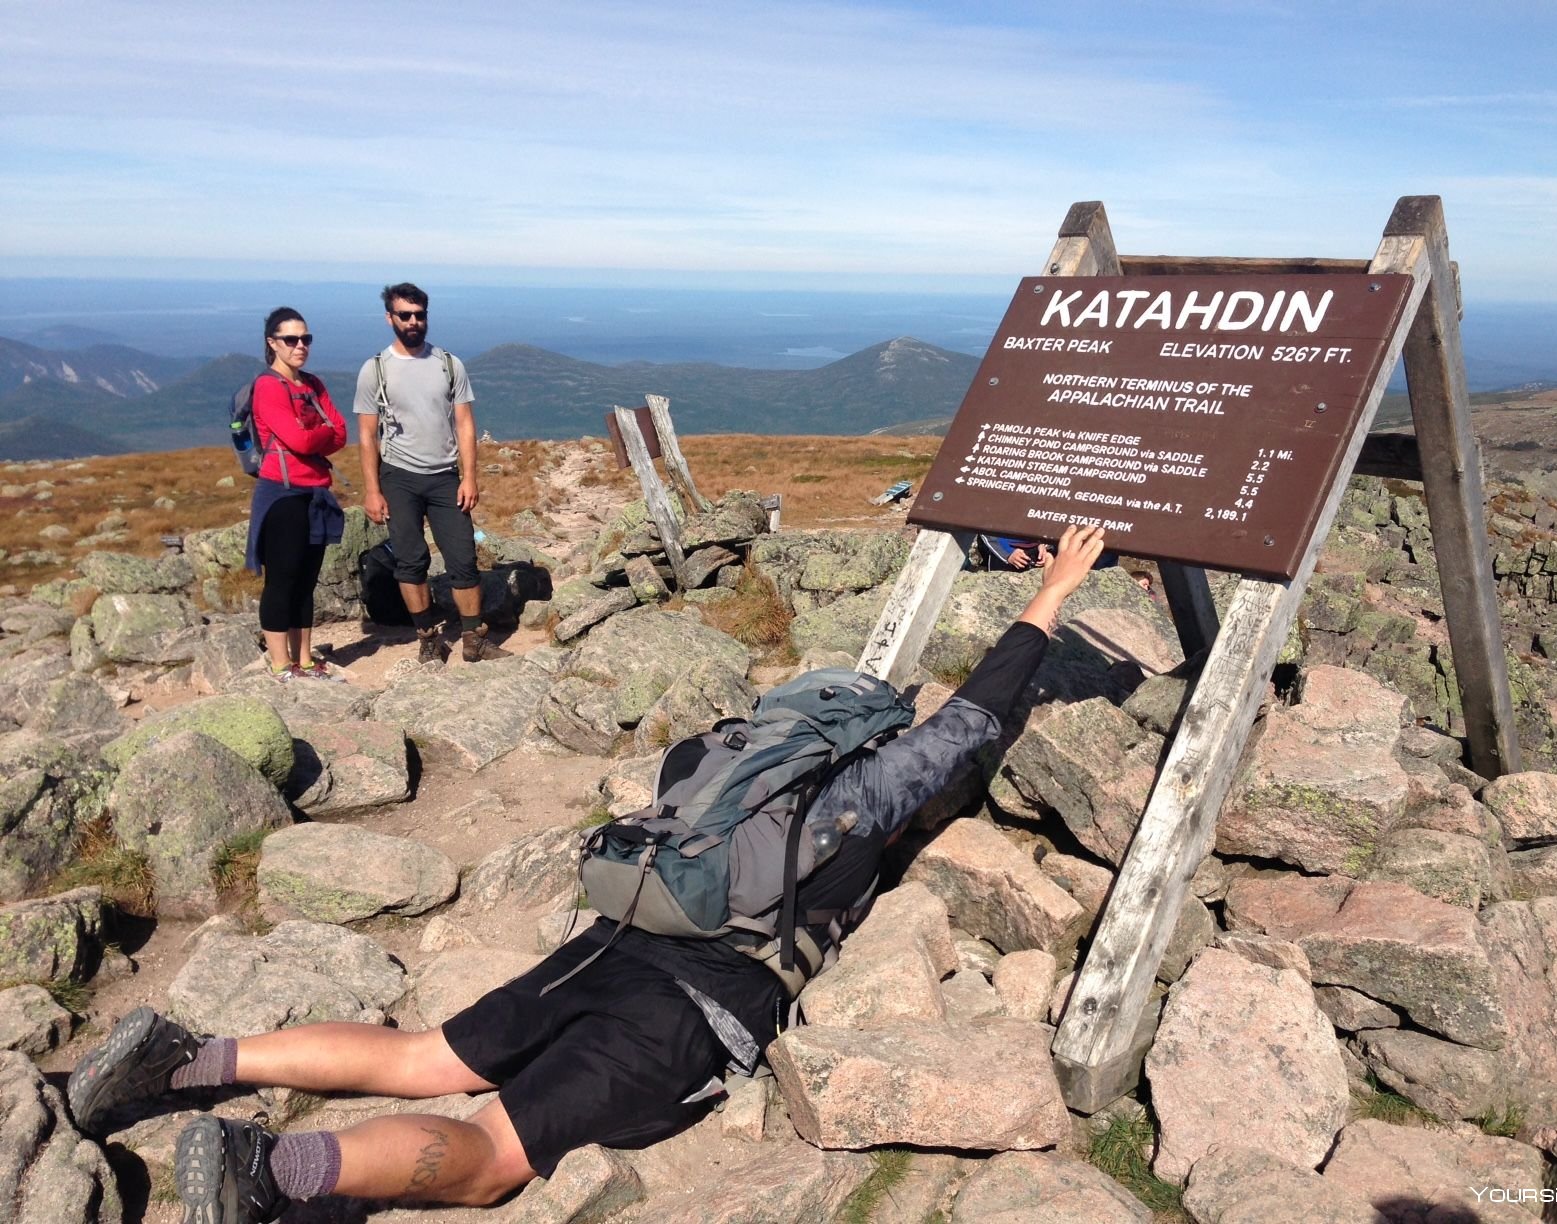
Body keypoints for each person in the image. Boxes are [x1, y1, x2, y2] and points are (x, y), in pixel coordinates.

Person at [66, 526, 1108, 1223]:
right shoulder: (858, 799)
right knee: (489, 1160)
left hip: (610, 938)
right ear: (867, 745)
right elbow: (971, 723)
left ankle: (189, 1058)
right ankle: (274, 1175)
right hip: (693, 1006)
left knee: (426, 1054)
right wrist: (1055, 590)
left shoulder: (729, 754)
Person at [353, 283, 508, 664]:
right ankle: (427, 637)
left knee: (462, 558)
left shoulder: (448, 364)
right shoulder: (375, 370)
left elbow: (465, 424)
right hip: (398, 475)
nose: (413, 322)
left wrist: (469, 476)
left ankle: (474, 638)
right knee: (410, 560)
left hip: (444, 476)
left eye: (419, 314)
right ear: (390, 317)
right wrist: (372, 490)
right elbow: (367, 435)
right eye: (404, 315)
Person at [245, 308, 348, 682]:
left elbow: (341, 432)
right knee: (283, 580)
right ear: (273, 343)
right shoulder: (269, 386)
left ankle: (304, 660)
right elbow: (304, 438)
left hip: (316, 494)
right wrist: (317, 433)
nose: (300, 346)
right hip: (282, 495)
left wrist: (315, 435)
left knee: (306, 581)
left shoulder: (313, 384)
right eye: (291, 340)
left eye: (306, 338)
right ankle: (279, 663)